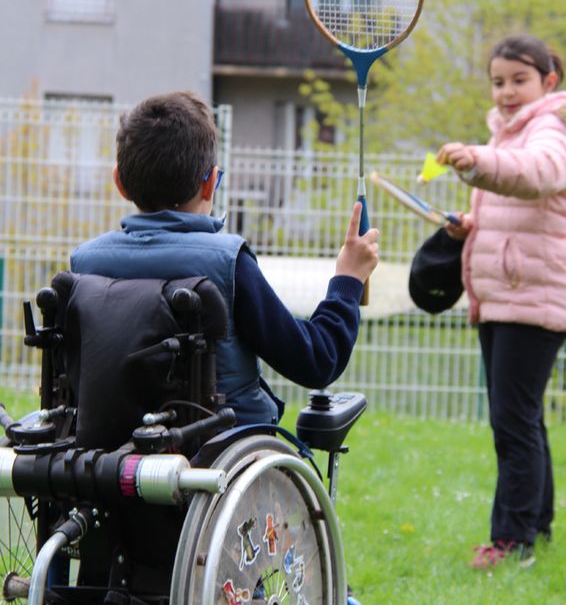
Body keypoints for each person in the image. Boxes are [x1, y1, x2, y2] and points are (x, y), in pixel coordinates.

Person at [70, 91, 379, 425]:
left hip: (110, 457)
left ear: (120, 182)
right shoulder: (227, 263)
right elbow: (317, 361)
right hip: (223, 455)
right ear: (211, 183)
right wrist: (348, 280)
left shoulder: (84, 265)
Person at [436, 35, 566, 570]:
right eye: (498, 82)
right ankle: (537, 525)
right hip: (509, 295)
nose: (507, 91)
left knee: (512, 422)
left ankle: (511, 543)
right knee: (524, 419)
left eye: (519, 80)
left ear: (548, 83)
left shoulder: (553, 127)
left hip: (530, 300)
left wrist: (477, 161)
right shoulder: (515, 132)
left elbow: (539, 174)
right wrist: (473, 224)